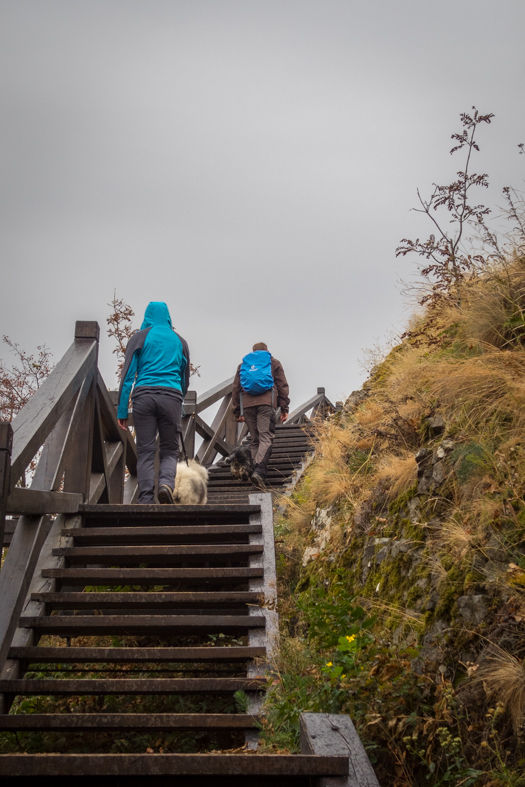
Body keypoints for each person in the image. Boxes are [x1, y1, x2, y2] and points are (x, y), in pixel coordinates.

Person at [117, 301, 190, 504]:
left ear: (147, 316)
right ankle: (166, 484)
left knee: (145, 451)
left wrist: (122, 410)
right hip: (171, 397)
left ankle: (146, 498)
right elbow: (184, 378)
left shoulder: (139, 338)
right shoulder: (180, 341)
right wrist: (179, 400)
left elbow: (128, 376)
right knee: (169, 450)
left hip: (144, 397)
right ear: (168, 316)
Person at [232, 342, 290, 489]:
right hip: (266, 403)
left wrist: (237, 411)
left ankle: (253, 470)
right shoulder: (273, 363)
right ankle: (259, 470)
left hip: (248, 405)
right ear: (267, 350)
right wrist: (284, 408)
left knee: (255, 440)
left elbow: (236, 389)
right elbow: (282, 385)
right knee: (266, 437)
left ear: (253, 352)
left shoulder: (243, 365)